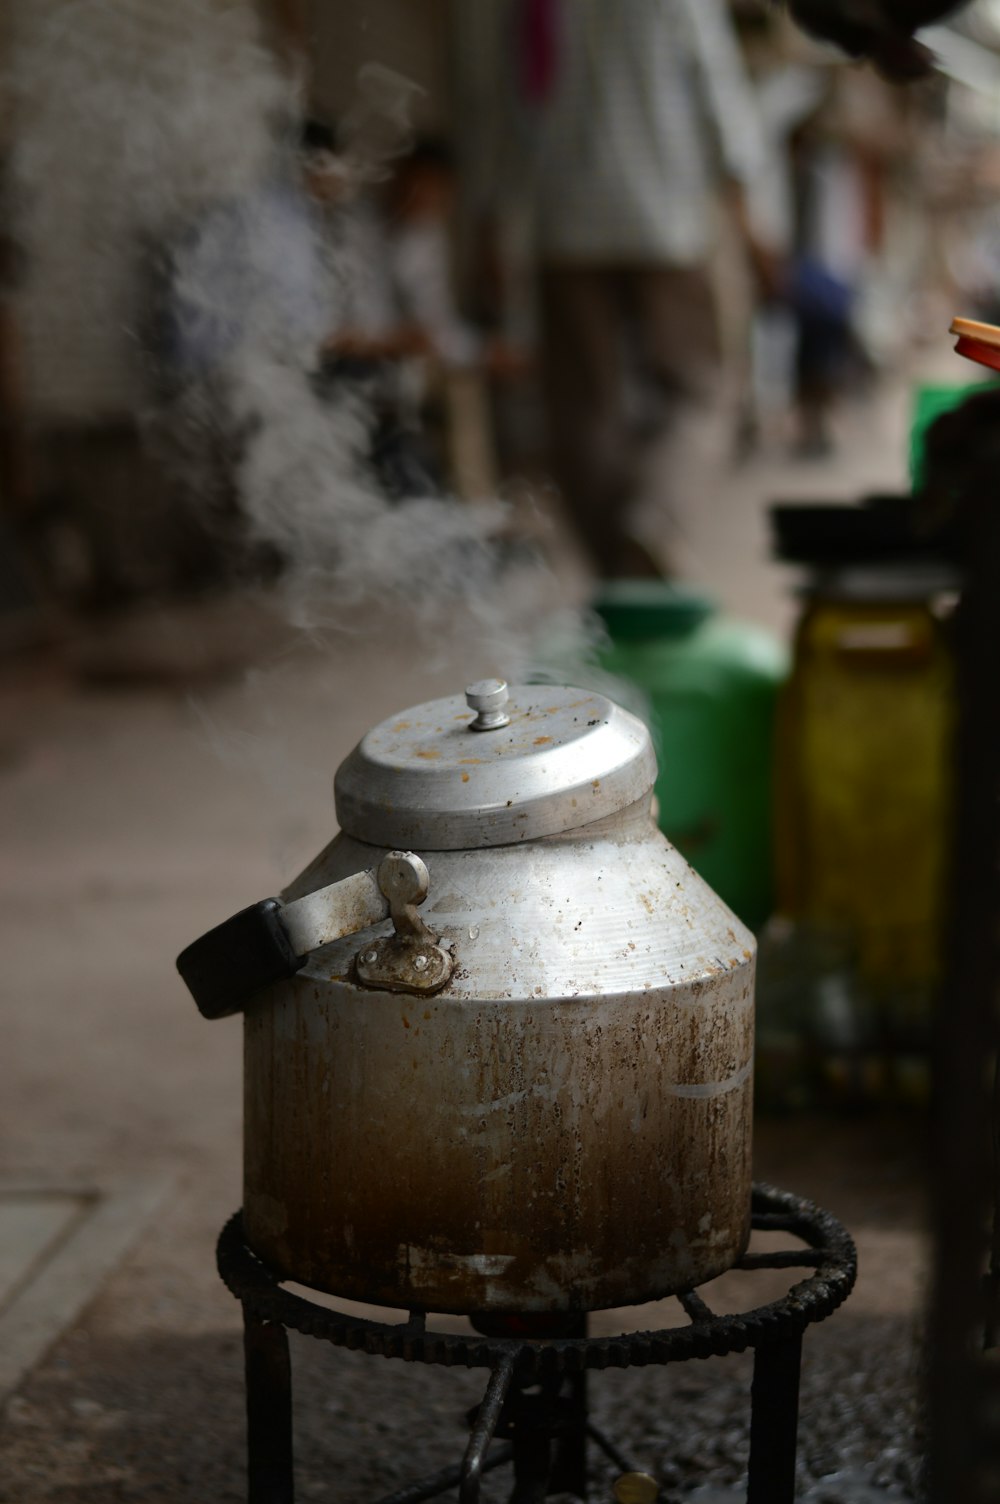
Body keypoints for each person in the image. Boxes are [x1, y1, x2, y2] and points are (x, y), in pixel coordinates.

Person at [460, 0, 777, 580]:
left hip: (563, 228)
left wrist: (490, 224)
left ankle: (616, 567)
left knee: (583, 409)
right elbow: (719, 96)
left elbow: (499, 110)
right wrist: (748, 217)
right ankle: (654, 522)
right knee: (701, 388)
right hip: (666, 224)